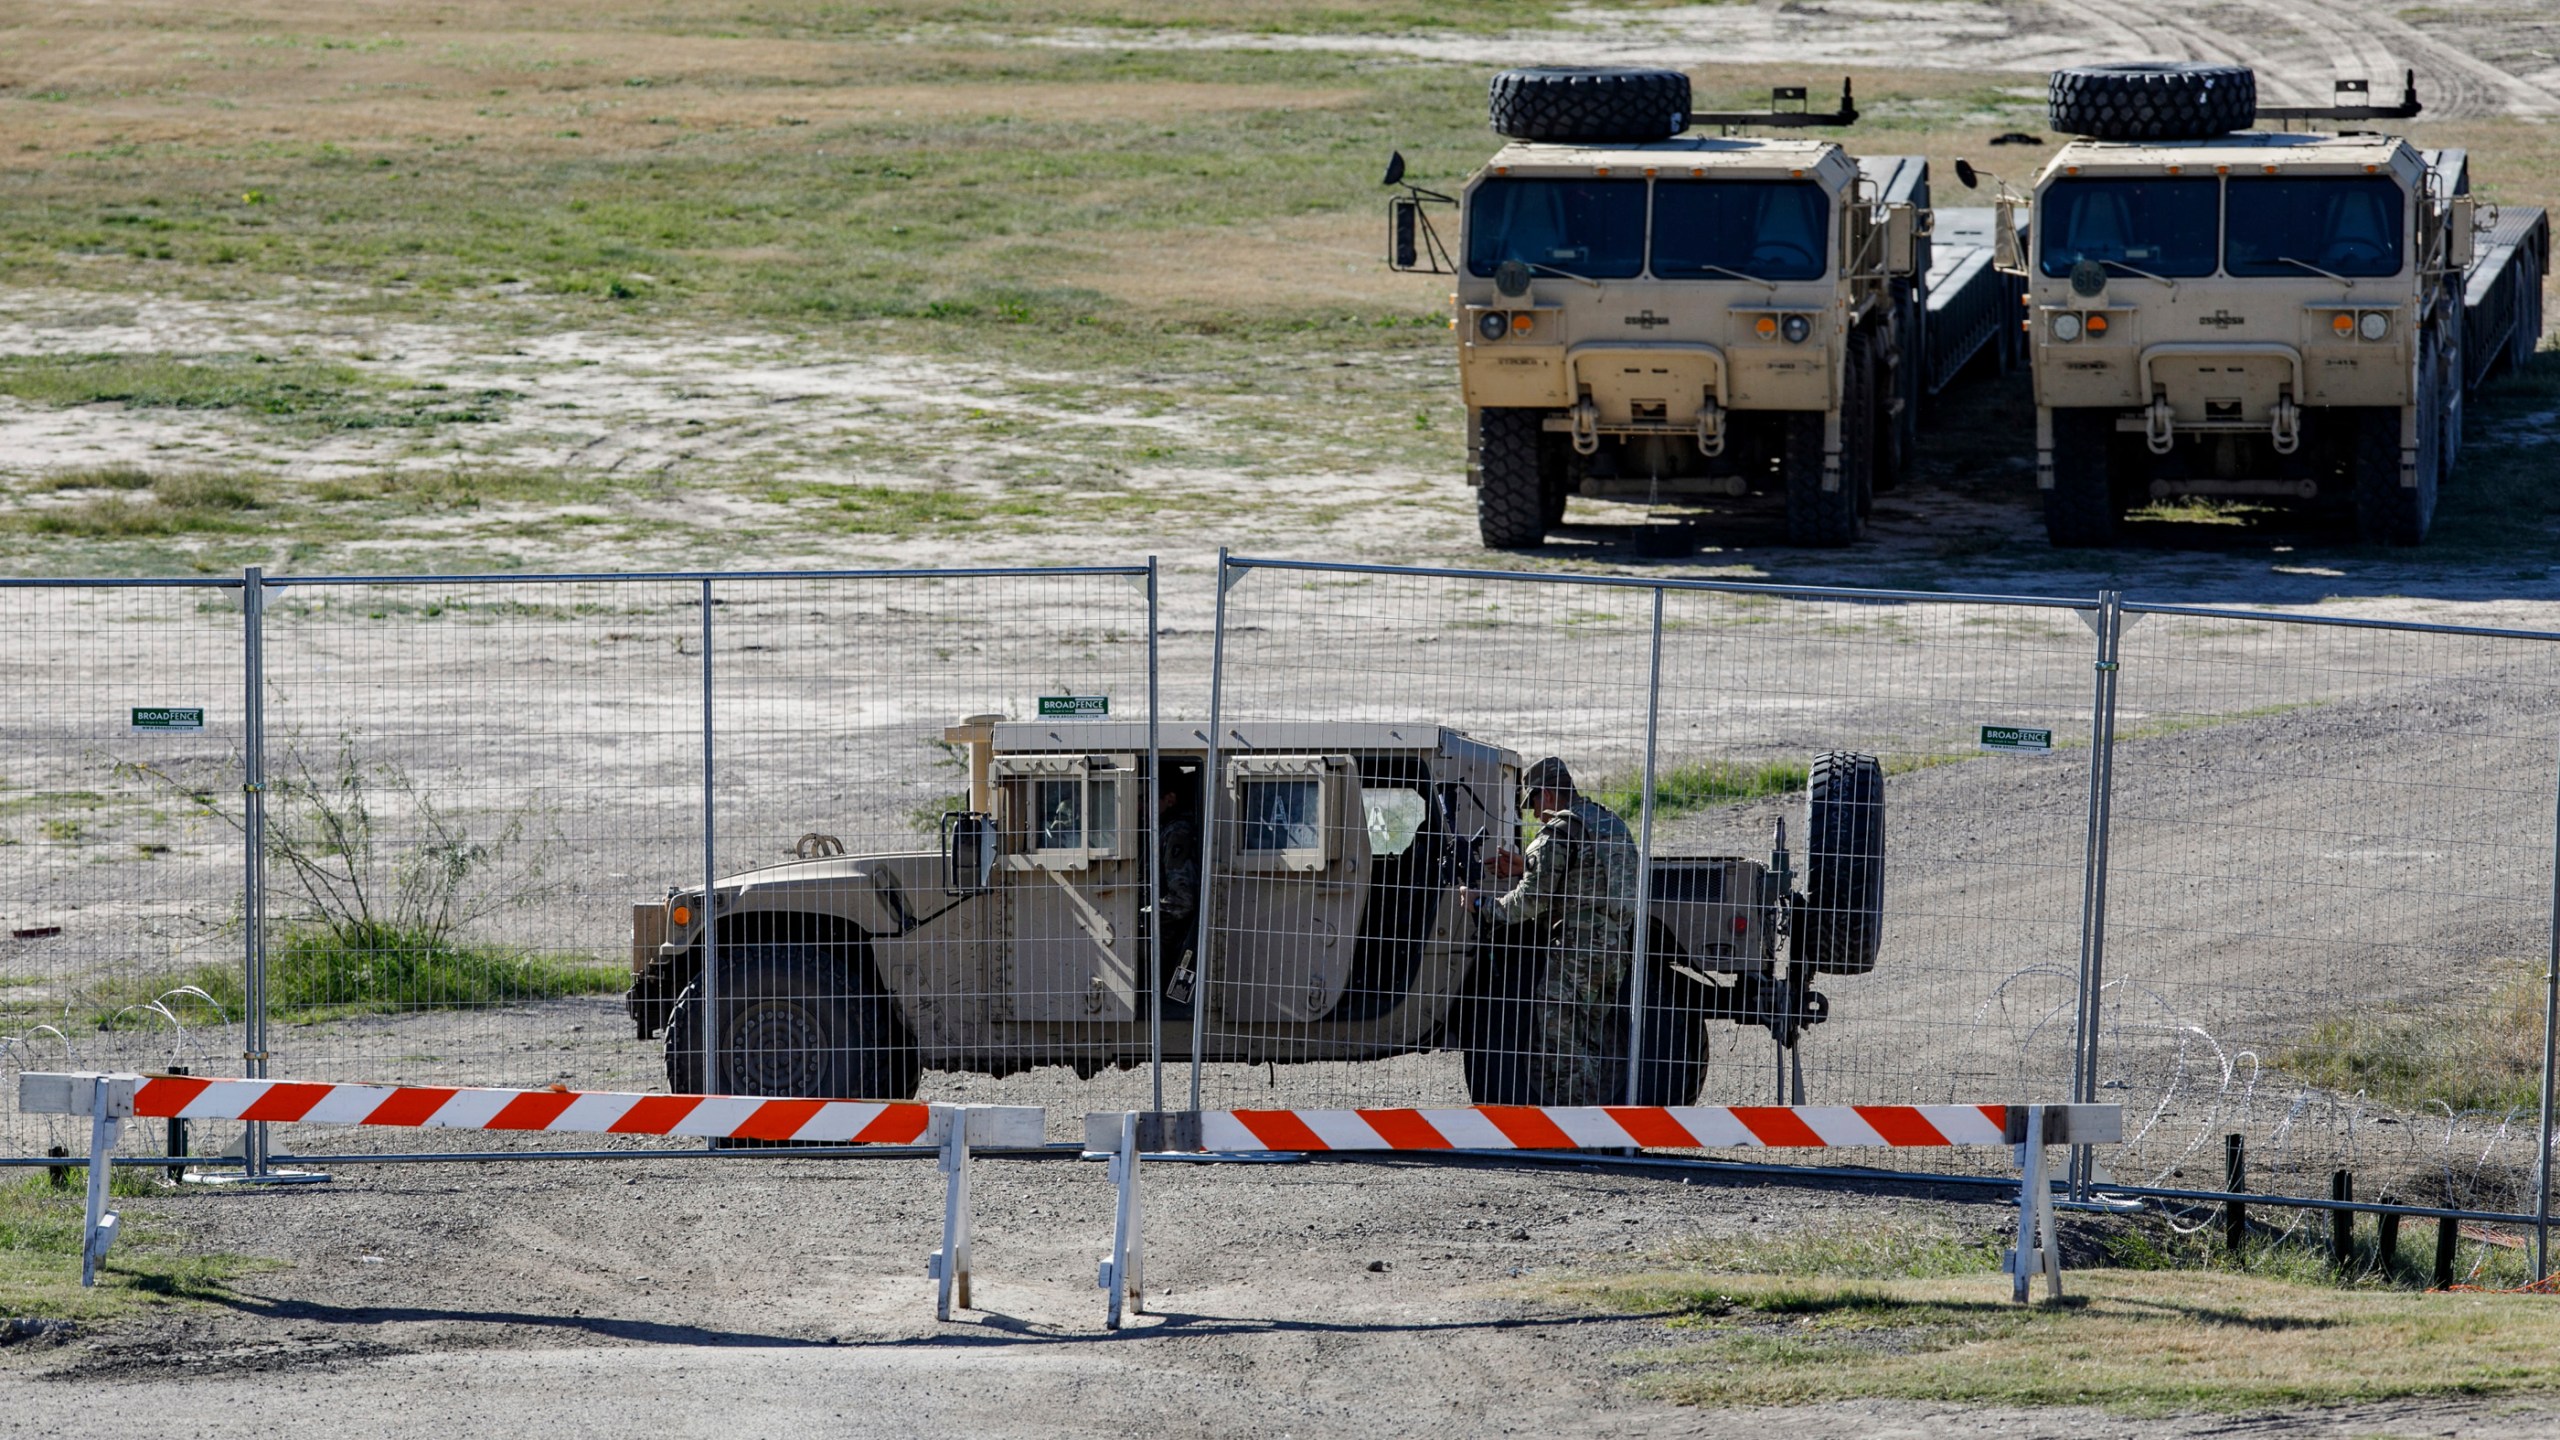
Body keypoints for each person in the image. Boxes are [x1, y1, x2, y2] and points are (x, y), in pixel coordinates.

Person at [1464, 756, 1638, 1106]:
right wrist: (1527, 864)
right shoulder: (1608, 822)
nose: (1533, 815)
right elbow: (1587, 878)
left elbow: (1532, 901)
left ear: (1546, 794)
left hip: (1577, 951)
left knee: (1563, 1047)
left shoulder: (1559, 830)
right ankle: (1597, 1129)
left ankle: (1579, 1133)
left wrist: (1484, 907)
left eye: (1532, 804)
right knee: (1588, 1041)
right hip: (1614, 948)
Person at [1154, 769, 1203, 999]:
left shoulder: (1177, 832)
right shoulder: (1166, 829)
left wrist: (1142, 916)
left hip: (1173, 936)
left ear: (1170, 800)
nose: (1141, 806)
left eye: (1147, 799)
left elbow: (1183, 901)